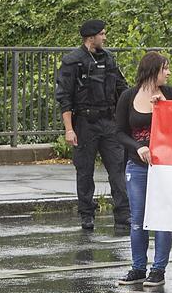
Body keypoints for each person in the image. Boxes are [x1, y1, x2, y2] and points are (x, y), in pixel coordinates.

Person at [54, 19, 130, 234]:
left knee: (117, 168)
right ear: (91, 37)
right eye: (102, 34)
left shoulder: (108, 59)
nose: (105, 38)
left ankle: (124, 216)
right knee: (84, 171)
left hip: (108, 121)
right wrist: (69, 129)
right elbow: (65, 98)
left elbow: (122, 90)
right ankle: (87, 215)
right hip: (85, 123)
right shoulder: (72, 61)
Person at [114, 52, 172, 287]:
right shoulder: (128, 96)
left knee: (162, 218)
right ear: (153, 71)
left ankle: (159, 269)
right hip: (138, 164)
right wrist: (138, 147)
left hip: (164, 166)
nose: (169, 73)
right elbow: (119, 131)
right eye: (165, 69)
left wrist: (164, 108)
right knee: (138, 218)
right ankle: (138, 266)